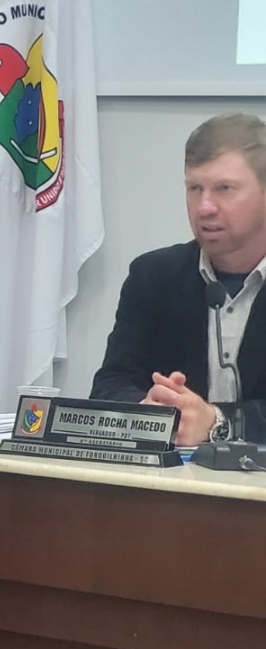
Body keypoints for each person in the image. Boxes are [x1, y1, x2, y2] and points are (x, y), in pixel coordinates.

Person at [91, 112, 266, 445]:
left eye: (224, 189)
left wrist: (217, 422)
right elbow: (110, 384)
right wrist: (146, 410)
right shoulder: (153, 276)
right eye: (194, 188)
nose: (204, 207)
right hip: (174, 476)